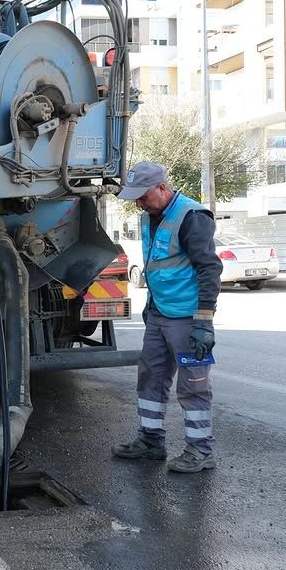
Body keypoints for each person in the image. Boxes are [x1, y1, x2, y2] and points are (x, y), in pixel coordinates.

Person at [111, 161, 223, 473]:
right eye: (134, 197)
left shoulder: (192, 217)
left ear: (162, 187)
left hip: (188, 319)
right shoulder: (149, 217)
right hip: (160, 315)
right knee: (151, 378)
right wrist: (150, 305)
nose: (138, 202)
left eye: (143, 195)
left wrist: (204, 320)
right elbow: (157, 266)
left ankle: (201, 451)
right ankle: (150, 441)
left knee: (193, 386)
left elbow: (209, 269)